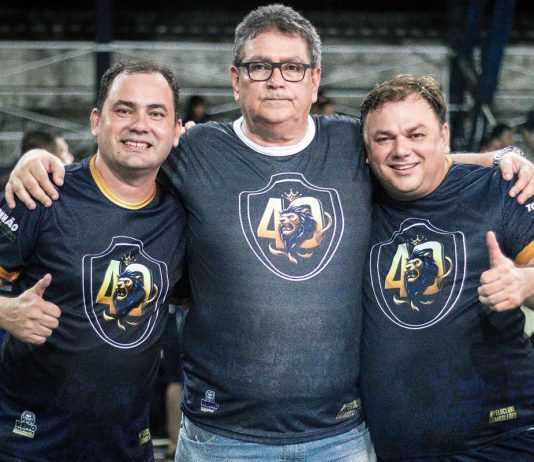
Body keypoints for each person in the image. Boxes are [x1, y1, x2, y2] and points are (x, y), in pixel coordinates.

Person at [5, 5, 534, 461]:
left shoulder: (351, 143)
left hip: (339, 435)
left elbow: (410, 158)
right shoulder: (194, 150)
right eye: (260, 67)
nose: (276, 79)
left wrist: (502, 158)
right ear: (236, 79)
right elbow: (124, 155)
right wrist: (36, 160)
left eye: (291, 67)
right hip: (220, 437)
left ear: (314, 79)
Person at [0, 60, 186, 461]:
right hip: (27, 444)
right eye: (124, 110)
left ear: (175, 133)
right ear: (96, 121)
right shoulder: (43, 194)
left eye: (156, 113)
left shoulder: (184, 215)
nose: (140, 124)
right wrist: (4, 311)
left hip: (126, 448)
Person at [360, 74, 534, 460]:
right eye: (384, 138)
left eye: (416, 135)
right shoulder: (354, 198)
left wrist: (523, 283)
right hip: (392, 448)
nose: (400, 150)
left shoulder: (499, 190)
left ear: (444, 136)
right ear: (367, 150)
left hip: (501, 442)